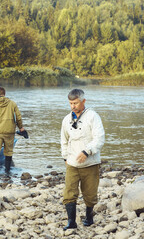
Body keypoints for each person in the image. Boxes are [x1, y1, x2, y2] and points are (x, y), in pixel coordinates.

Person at [60, 89, 105, 230]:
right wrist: (65, 157)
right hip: (72, 163)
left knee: (90, 193)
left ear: (83, 101)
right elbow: (64, 140)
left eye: (76, 103)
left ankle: (89, 218)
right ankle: (71, 222)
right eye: (71, 103)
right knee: (69, 193)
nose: (73, 106)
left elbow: (100, 138)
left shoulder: (93, 116)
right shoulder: (66, 120)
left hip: (90, 163)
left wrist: (87, 151)